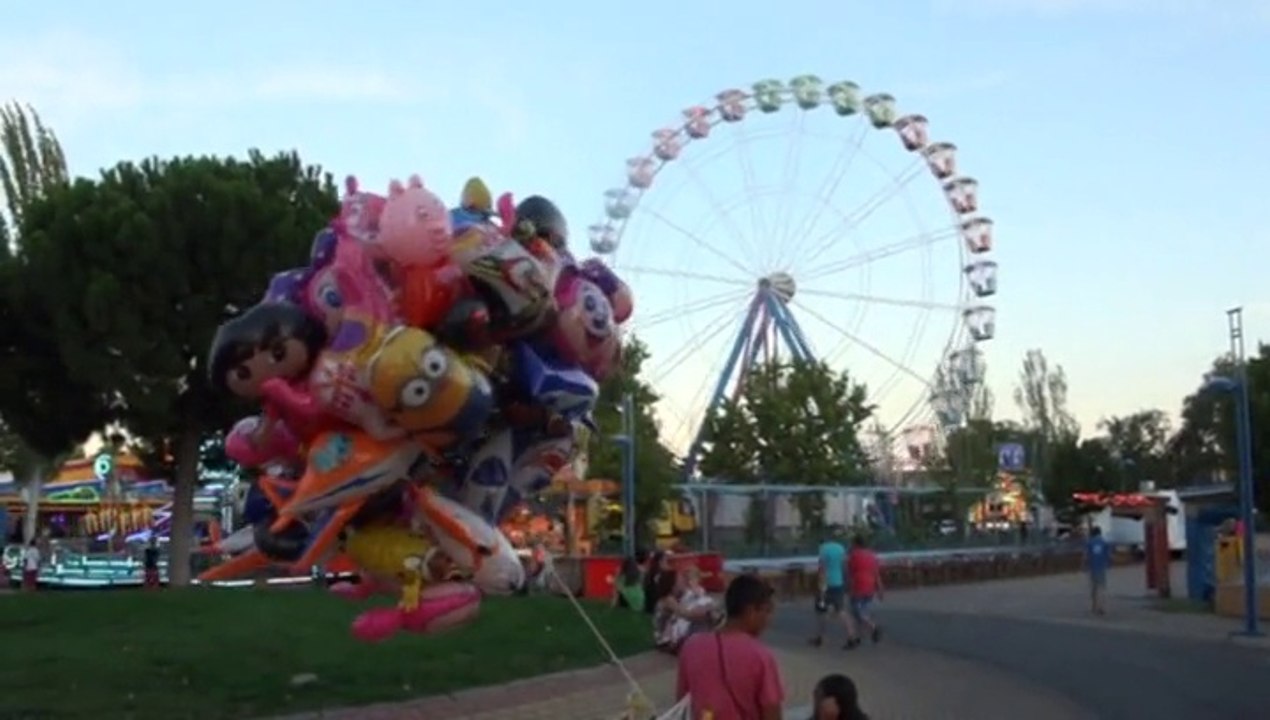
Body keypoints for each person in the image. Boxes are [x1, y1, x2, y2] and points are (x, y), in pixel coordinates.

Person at [676, 574, 784, 720]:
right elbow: (772, 713)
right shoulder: (761, 656)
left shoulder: (691, 646)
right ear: (751, 611)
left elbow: (682, 701)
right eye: (768, 611)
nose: (769, 619)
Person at [810, 535, 858, 649]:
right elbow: (844, 566)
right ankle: (851, 636)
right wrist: (846, 581)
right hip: (838, 583)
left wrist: (820, 586)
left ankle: (820, 638)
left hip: (826, 584)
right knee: (841, 611)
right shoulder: (840, 548)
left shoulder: (823, 549)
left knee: (821, 611)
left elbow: (822, 569)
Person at [846, 535, 883, 644]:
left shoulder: (854, 556)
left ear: (856, 544)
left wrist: (848, 588)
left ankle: (873, 627)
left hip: (858, 586)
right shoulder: (872, 555)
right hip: (870, 586)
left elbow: (850, 573)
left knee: (857, 613)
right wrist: (880, 588)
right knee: (864, 611)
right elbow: (876, 573)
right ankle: (859, 636)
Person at [1084, 525, 1110, 615]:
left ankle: (1094, 606)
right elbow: (1108, 555)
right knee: (1102, 587)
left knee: (1093, 588)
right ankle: (1102, 607)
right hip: (1101, 567)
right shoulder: (1104, 542)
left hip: (1092, 567)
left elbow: (1086, 556)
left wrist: (1084, 565)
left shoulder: (1090, 542)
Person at [643, 550, 671, 615]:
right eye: (666, 561)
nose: (667, 564)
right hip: (654, 607)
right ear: (660, 562)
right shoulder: (658, 575)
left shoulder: (651, 573)